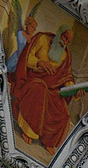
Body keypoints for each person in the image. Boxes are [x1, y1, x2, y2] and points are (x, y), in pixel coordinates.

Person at [8, 24, 77, 156]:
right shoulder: (43, 39)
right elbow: (26, 57)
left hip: (53, 88)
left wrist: (74, 89)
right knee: (39, 89)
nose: (65, 42)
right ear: (59, 33)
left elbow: (66, 77)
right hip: (32, 79)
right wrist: (40, 62)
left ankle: (49, 141)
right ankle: (29, 131)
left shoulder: (66, 55)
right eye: (64, 37)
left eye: (68, 41)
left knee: (64, 113)